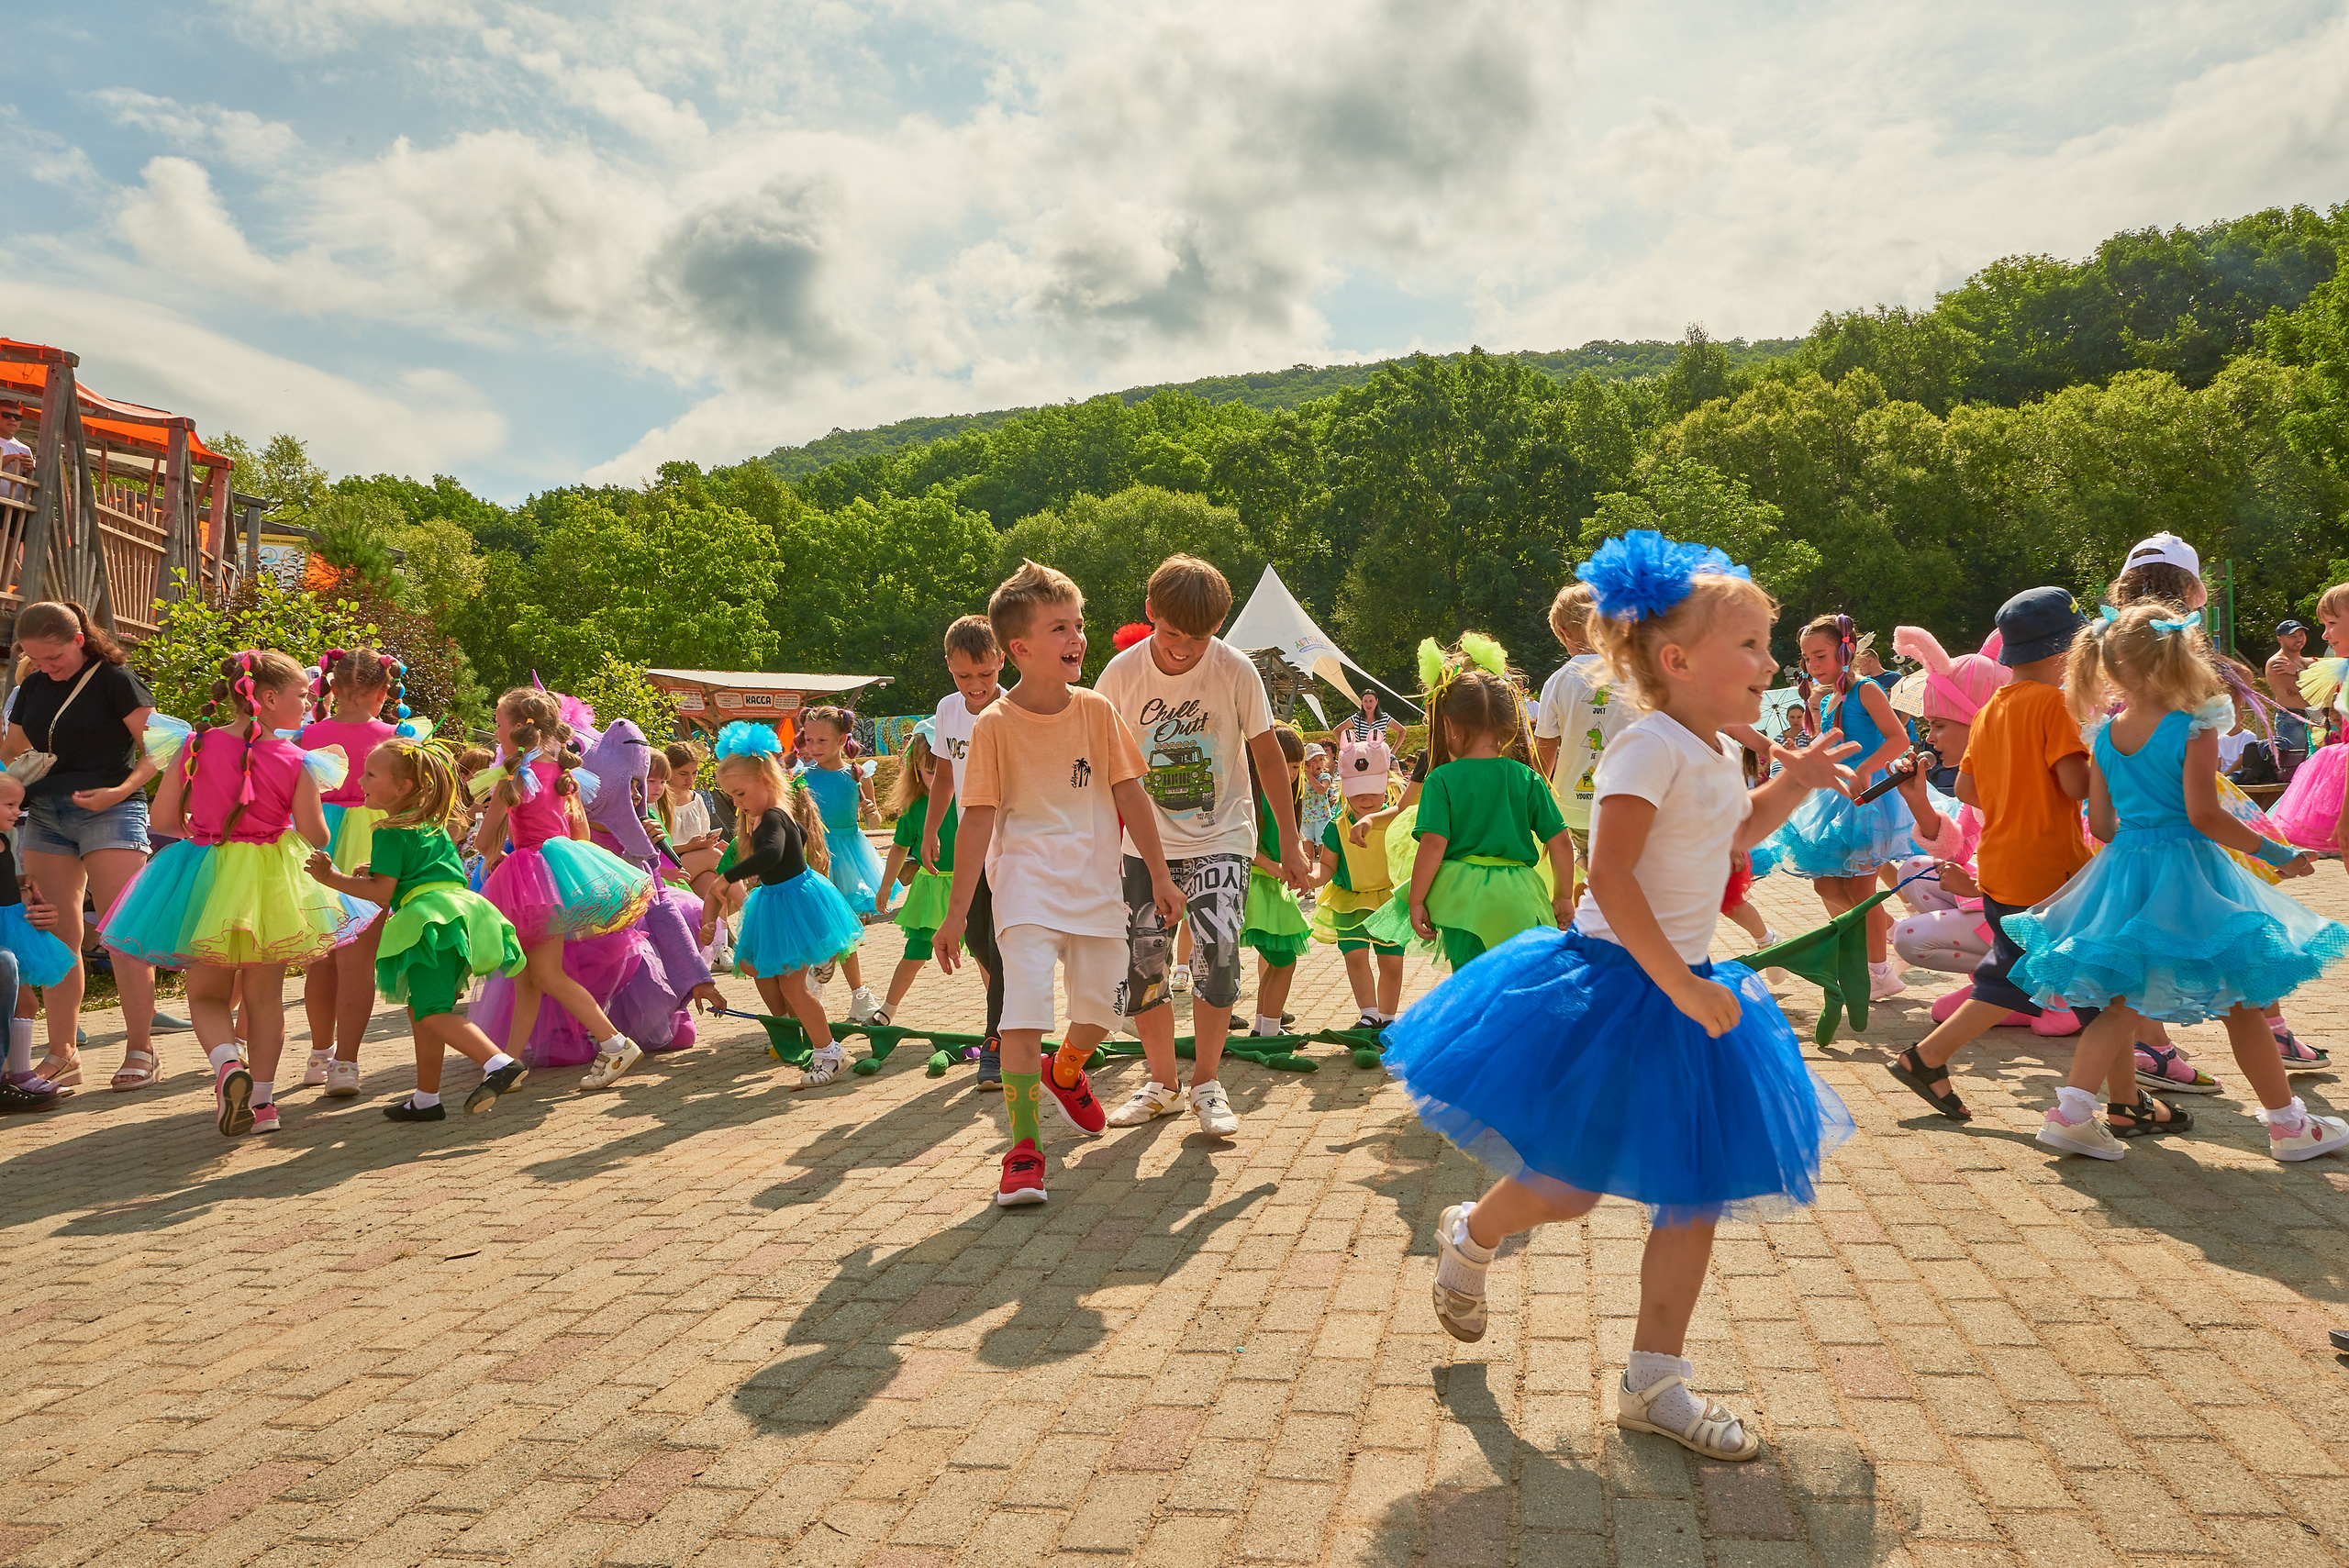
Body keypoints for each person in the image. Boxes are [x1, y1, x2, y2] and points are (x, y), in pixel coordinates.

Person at [1381, 529, 1857, 1462]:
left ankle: (1654, 1379)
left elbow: (1734, 834)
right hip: (1616, 986)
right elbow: (1612, 872)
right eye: (1753, 645)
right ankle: (1471, 1234)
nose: (1770, 662)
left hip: (1682, 991)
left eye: (1769, 643)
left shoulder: (1717, 748)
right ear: (1676, 660)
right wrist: (1677, 979)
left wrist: (1789, 786)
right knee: (1566, 1186)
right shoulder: (1646, 748)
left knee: (1694, 1192)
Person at [2006, 602, 2349, 1160]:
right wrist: (2277, 852)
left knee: (2120, 1003)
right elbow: (2204, 816)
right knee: (2242, 1000)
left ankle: (2069, 1114)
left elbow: (2101, 823)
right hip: (2188, 872)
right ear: (2182, 659)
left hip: (2125, 872)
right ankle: (2288, 1127)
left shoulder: (2106, 735)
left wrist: (2138, 832)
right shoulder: (2192, 727)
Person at [936, 561, 1178, 1206]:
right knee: (1023, 1012)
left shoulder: (1098, 712)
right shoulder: (994, 726)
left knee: (1103, 1008)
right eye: (1059, 627)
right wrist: (957, 913)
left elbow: (1132, 793)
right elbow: (977, 819)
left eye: (1078, 623)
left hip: (1095, 886)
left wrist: (1157, 872)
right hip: (1024, 887)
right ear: (1020, 648)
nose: (1077, 636)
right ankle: (1023, 1149)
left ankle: (1065, 1068)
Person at [100, 651, 377, 1136]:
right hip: (272, 883)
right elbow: (317, 835)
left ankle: (228, 1064)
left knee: (206, 994)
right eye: (302, 694)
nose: (310, 700)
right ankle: (265, 1105)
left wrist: (200, 826)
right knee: (265, 996)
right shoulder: (297, 759)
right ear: (268, 699)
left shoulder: (192, 746)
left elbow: (163, 822)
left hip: (207, 873)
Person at [1094, 555, 1309, 1138]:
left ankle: (1207, 1083)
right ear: (1149, 613)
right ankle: (1162, 1083)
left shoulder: (1236, 671)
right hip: (1146, 843)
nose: (1186, 649)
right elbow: (1101, 764)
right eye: (1171, 634)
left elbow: (1267, 754)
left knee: (1216, 956)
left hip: (1223, 834)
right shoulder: (1119, 676)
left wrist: (1289, 843)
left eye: (1201, 637)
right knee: (1146, 965)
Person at [1886, 589, 2098, 1122]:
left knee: (2038, 979)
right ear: (2062, 653)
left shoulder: (1990, 712)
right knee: (2084, 982)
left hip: (2002, 867)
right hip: (2054, 869)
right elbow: (2075, 784)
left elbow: (1970, 790)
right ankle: (1929, 1058)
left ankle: (2118, 1098)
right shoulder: (2056, 705)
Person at [302, 740, 529, 1120]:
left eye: (371, 774)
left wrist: (332, 877)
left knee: (431, 1013)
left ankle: (499, 1063)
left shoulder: (390, 830)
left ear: (403, 787)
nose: (360, 780)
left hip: (428, 924)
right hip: (460, 918)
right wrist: (371, 872)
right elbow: (414, 874)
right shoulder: (432, 826)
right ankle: (426, 1099)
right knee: (423, 1008)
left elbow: (379, 894)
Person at [4, 601, 164, 1091]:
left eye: (53, 657)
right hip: (46, 814)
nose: (46, 668)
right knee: (55, 935)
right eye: (35, 659)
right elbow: (11, 746)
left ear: (78, 639)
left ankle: (142, 1049)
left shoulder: (116, 679)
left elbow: (159, 747)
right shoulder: (32, 685)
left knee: (122, 931)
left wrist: (118, 791)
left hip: (112, 808)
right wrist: (22, 769)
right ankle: (62, 1051)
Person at [473, 686, 658, 1089]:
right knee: (528, 977)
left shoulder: (515, 775)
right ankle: (510, 1065)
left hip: (530, 877)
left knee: (547, 974)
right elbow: (581, 834)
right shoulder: (564, 773)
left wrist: (493, 851)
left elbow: (484, 841)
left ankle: (615, 1043)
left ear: (519, 728)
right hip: (556, 874)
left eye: (498, 724)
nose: (495, 731)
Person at [1366, 634, 1574, 970]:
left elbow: (1433, 845)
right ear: (1510, 724)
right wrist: (1563, 895)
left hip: (1463, 899)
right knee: (1519, 983)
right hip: (1522, 896)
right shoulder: (1527, 777)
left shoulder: (1441, 780)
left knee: (1470, 987)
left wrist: (1416, 899)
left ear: (1449, 726)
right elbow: (1561, 842)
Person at [701, 723, 863, 1087]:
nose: (738, 803)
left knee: (793, 988)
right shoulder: (777, 812)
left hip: (791, 901)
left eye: (741, 794)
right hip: (782, 898)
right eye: (732, 798)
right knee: (755, 964)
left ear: (765, 779)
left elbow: (773, 853)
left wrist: (727, 878)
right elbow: (799, 839)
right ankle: (825, 1045)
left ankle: (828, 1052)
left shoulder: (773, 815)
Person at [1765, 614, 1915, 1001]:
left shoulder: (1866, 689)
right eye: (1807, 659)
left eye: (1821, 656)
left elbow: (1898, 738)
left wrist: (1865, 768)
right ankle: (1886, 932)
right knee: (1825, 882)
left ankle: (1878, 972)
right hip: (1835, 797)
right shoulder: (1830, 695)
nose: (1813, 666)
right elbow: (1826, 748)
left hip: (1868, 798)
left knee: (1862, 888)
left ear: (1844, 652)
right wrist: (1814, 713)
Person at [296, 648, 402, 1098]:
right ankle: (346, 1063)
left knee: (320, 960)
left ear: (331, 688)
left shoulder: (305, 736)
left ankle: (319, 1055)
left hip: (316, 838)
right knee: (358, 963)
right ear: (383, 693)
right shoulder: (398, 739)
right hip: (375, 841)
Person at [923, 617, 1011, 1085]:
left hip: (1014, 851)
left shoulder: (1018, 709)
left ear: (1002, 660)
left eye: (985, 674)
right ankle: (1009, 1023)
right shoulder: (947, 710)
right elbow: (944, 773)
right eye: (963, 676)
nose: (975, 686)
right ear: (950, 668)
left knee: (1002, 947)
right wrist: (931, 828)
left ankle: (996, 1041)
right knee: (978, 941)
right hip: (969, 846)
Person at [1532, 582, 1634, 881]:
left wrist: (1534, 802)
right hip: (1633, 800)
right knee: (1629, 871)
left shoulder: (1558, 681)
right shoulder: (1636, 673)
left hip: (1576, 807)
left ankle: (1594, 908)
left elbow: (1544, 752)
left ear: (1563, 633)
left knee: (1593, 871)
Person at [796, 706, 885, 1023]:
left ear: (841, 739)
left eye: (822, 739)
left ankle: (852, 992)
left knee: (847, 926)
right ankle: (832, 990)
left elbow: (873, 821)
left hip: (850, 856)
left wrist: (872, 811)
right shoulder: (801, 779)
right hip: (818, 854)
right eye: (810, 740)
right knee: (829, 924)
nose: (815, 746)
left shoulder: (857, 775)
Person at [1311, 736, 1406, 1030]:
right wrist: (1311, 878)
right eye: (1357, 793)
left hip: (1389, 901)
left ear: (1387, 786)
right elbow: (1327, 864)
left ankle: (1387, 1019)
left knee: (1391, 962)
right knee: (1354, 956)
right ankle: (1368, 1014)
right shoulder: (1336, 827)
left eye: (1372, 791)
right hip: (1349, 900)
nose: (1365, 799)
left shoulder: (1398, 821)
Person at [0, 770, 80, 1111]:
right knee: (22, 1000)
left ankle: (19, 1073)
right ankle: (15, 1073)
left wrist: (22, 879)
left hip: (12, 923)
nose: (17, 812)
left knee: (27, 1003)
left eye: (19, 805)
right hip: (5, 927)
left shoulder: (6, 840)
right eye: (9, 805)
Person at [875, 722, 963, 1027]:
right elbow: (899, 849)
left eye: (945, 772)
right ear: (915, 769)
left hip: (969, 886)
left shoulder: (968, 801)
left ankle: (1002, 1020)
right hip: (931, 890)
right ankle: (887, 1009)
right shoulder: (914, 809)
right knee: (915, 951)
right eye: (930, 772)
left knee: (986, 954)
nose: (939, 780)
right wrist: (886, 885)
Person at [1240, 728, 1312, 1037]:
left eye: (1297, 767)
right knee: (1283, 961)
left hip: (1268, 887)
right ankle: (1269, 1028)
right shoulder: (1250, 799)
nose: (1292, 774)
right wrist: (1272, 865)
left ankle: (1264, 1026)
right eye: (1285, 765)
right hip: (1255, 887)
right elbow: (1243, 842)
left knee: (1277, 961)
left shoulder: (1288, 801)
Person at [2266, 618, 2314, 775]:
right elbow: (2305, 689)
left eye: (2301, 634)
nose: (2299, 639)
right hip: (2293, 717)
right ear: (2280, 639)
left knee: (2318, 760)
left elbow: (2324, 686)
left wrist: (2298, 672)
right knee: (2294, 766)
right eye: (2293, 636)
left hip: (2316, 713)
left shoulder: (2308, 661)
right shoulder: (2277, 662)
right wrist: (2312, 678)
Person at [1336, 685, 1403, 751]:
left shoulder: (1384, 718)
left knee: (1394, 761)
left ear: (1376, 701)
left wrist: (1393, 751)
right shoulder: (1356, 718)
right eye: (1365, 701)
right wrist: (1348, 749)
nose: (1368, 704)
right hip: (1361, 756)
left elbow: (1402, 731)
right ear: (1362, 702)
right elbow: (1336, 730)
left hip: (1379, 756)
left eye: (1371, 701)